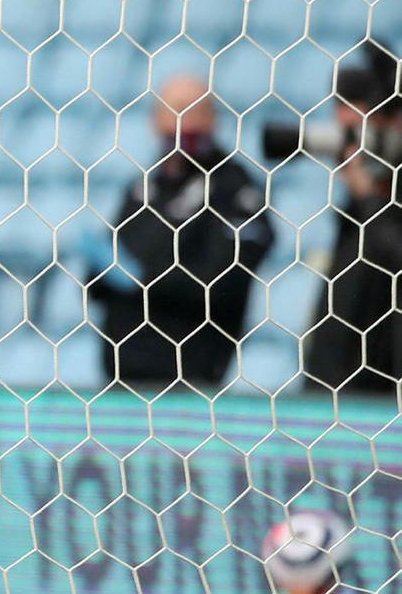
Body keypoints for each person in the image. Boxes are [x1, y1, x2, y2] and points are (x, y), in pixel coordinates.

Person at [84, 75, 274, 389]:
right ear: (154, 120)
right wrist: (102, 271)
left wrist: (142, 280)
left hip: (191, 376)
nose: (180, 120)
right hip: (121, 376)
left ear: (212, 119)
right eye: (171, 109)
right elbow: (101, 277)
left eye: (190, 108)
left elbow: (221, 280)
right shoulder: (143, 187)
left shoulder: (234, 189)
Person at [303, 40, 402, 398]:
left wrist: (370, 199)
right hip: (332, 392)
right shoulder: (358, 204)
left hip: (381, 396)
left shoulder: (377, 203)